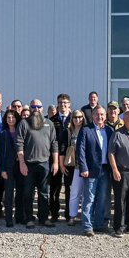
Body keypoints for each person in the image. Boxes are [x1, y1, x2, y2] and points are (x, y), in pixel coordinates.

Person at [16, 100, 59, 229]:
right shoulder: (24, 123)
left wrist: (56, 162)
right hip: (28, 164)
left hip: (45, 164)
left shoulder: (49, 124)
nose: (36, 109)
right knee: (28, 193)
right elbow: (19, 144)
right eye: (33, 106)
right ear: (30, 108)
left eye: (38, 106)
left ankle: (43, 218)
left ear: (42, 108)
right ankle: (29, 219)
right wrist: (22, 163)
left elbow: (54, 144)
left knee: (44, 193)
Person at [76, 106, 113, 236]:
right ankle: (87, 226)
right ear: (92, 115)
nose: (100, 117)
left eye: (102, 114)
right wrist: (83, 167)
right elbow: (80, 150)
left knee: (102, 198)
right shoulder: (86, 130)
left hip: (105, 169)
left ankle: (98, 224)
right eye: (97, 114)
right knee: (89, 198)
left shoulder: (109, 130)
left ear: (105, 115)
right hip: (90, 169)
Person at [49, 93, 73, 222]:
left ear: (69, 104)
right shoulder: (52, 121)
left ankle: (69, 214)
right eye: (60, 103)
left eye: (65, 102)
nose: (62, 105)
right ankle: (54, 214)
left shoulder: (74, 119)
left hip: (70, 160)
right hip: (54, 159)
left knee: (69, 188)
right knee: (54, 188)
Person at [0, 108, 21, 227]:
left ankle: (19, 216)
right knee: (9, 193)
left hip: (20, 166)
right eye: (8, 117)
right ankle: (8, 218)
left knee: (20, 192)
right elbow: (0, 153)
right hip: (8, 167)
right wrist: (2, 169)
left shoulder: (21, 131)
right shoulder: (3, 134)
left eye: (13, 117)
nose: (11, 119)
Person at [63, 110, 86, 226]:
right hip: (73, 167)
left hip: (86, 165)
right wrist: (62, 164)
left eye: (80, 117)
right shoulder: (67, 132)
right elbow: (62, 149)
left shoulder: (88, 130)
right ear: (71, 119)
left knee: (87, 194)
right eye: (75, 117)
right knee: (74, 192)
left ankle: (86, 217)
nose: (78, 119)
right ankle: (72, 216)